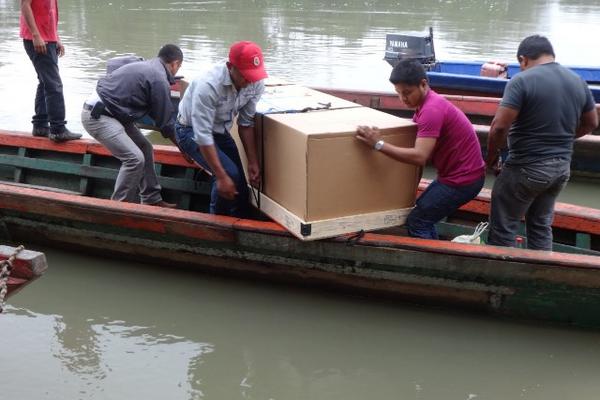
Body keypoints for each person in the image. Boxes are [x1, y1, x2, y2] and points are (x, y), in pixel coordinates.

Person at [486, 35, 598, 250]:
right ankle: (539, 274)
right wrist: (563, 137)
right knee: (540, 225)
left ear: (523, 60)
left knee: (504, 227)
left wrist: (491, 158)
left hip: (526, 168)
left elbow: (499, 127)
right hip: (560, 170)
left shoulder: (521, 80)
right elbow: (591, 123)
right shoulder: (577, 81)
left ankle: (503, 277)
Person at [356, 59, 485, 239]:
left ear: (423, 84)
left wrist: (378, 144)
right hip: (456, 176)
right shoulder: (425, 106)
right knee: (422, 214)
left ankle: (435, 262)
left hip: (463, 180)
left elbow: (419, 156)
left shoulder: (431, 110)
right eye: (398, 93)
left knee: (418, 221)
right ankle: (437, 249)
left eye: (407, 93)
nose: (403, 99)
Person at [81, 44, 184, 208]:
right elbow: (166, 124)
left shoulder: (148, 66)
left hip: (115, 114)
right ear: (175, 64)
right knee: (134, 159)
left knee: (145, 148)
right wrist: (183, 148)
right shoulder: (158, 79)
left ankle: (151, 198)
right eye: (178, 67)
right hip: (98, 116)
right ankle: (119, 208)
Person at [175, 41, 267, 217]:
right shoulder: (208, 86)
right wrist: (221, 176)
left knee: (240, 186)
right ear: (230, 66)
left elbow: (246, 124)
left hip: (219, 131)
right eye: (245, 76)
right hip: (190, 130)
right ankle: (216, 223)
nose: (249, 81)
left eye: (253, 76)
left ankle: (238, 220)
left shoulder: (256, 83)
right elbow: (202, 136)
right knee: (228, 175)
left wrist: (253, 162)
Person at [20, 0, 81, 142]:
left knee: (45, 82)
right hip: (37, 39)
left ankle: (40, 125)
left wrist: (56, 38)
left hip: (48, 38)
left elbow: (49, 12)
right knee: (54, 85)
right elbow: (25, 6)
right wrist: (36, 35)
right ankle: (58, 130)